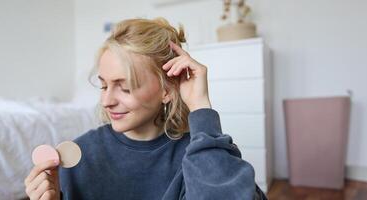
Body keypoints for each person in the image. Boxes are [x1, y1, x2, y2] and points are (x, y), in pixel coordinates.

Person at [24, 17, 267, 200]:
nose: (107, 100)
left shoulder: (199, 154)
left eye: (125, 87)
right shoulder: (81, 153)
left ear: (167, 90)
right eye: (103, 85)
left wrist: (200, 108)